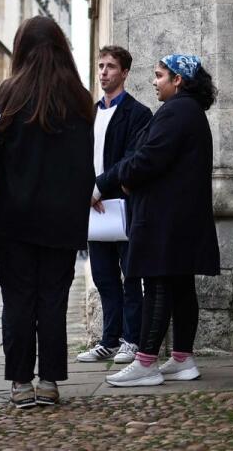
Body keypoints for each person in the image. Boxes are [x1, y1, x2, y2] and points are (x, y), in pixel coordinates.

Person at [0, 16, 95, 409]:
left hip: (15, 216)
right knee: (53, 301)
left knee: (19, 299)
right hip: (62, 219)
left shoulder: (12, 92)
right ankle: (49, 382)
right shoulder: (80, 97)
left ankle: (21, 383)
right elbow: (83, 165)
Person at [103, 54, 221, 388]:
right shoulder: (187, 111)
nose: (154, 82)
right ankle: (183, 359)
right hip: (179, 216)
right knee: (181, 286)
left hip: (165, 218)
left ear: (178, 79)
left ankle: (146, 363)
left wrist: (107, 182)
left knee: (157, 284)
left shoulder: (176, 111)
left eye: (159, 75)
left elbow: (146, 159)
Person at [77, 46, 152, 364]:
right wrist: (84, 191)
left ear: (124, 73)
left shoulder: (138, 114)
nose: (104, 71)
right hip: (93, 209)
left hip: (124, 206)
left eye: (110, 66)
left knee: (131, 277)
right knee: (104, 278)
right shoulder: (88, 113)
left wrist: (99, 188)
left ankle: (132, 340)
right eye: (100, 65)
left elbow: (132, 159)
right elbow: (78, 157)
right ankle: (109, 339)